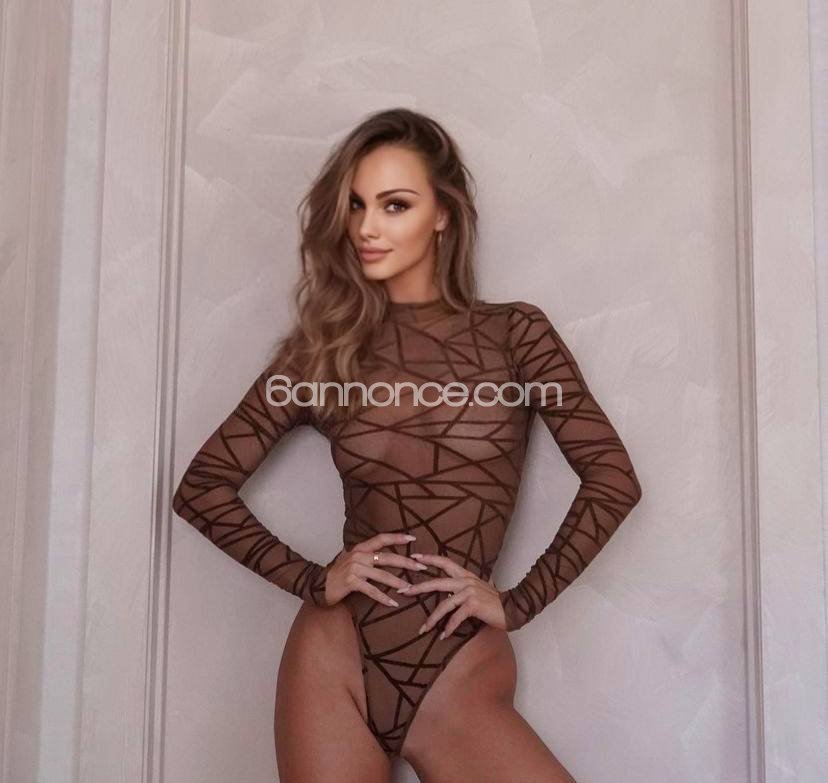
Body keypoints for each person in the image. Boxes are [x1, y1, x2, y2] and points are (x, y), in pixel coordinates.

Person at [172, 107, 642, 783]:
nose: (368, 226)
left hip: (459, 666)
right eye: (356, 205)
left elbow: (613, 479)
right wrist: (315, 579)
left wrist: (518, 602)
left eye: (395, 204)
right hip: (333, 660)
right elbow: (202, 488)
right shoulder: (324, 352)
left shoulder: (516, 335)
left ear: (443, 213)